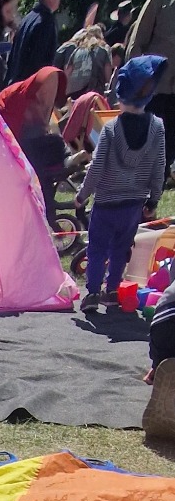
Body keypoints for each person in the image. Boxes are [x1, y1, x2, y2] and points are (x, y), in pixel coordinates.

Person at [77, 55, 167, 313]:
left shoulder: (111, 129)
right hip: (134, 203)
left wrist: (82, 194)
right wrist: (153, 199)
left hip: (106, 202)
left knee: (96, 249)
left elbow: (96, 167)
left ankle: (93, 292)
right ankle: (113, 290)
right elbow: (158, 167)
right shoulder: (157, 128)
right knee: (120, 248)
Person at [0, 68, 71, 227]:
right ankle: (66, 158)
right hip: (22, 146)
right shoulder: (24, 104)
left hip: (32, 143)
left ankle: (66, 158)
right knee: (54, 145)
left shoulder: (30, 104)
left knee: (53, 143)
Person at [126, 0, 175, 182]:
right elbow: (137, 43)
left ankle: (151, 203)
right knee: (144, 152)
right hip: (154, 90)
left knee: (167, 152)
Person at [5, 0, 62, 85]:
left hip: (15, 83)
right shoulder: (46, 21)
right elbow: (41, 59)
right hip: (31, 87)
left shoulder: (26, 19)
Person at [60, 25, 112, 101]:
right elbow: (108, 76)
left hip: (73, 93)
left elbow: (67, 72)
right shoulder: (103, 50)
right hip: (93, 93)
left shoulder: (77, 50)